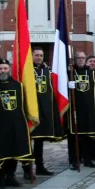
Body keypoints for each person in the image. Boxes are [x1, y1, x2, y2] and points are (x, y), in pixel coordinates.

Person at [0, 60, 32, 189]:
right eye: (0, 68)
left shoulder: (18, 85)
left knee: (14, 151)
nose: (3, 71)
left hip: (15, 124)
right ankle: (1, 178)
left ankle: (11, 176)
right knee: (2, 152)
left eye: (5, 68)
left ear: (9, 69)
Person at [68, 53, 95, 169]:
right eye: (78, 58)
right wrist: (68, 86)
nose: (81, 60)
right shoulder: (70, 72)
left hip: (88, 109)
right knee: (74, 137)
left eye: (82, 58)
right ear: (75, 60)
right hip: (74, 110)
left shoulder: (91, 72)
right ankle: (74, 160)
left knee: (87, 136)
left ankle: (87, 159)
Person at [27, 47, 63, 178]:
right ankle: (27, 170)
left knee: (39, 141)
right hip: (31, 110)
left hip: (44, 110)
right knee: (28, 142)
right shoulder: (27, 71)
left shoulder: (47, 71)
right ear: (32, 56)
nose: (39, 57)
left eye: (41, 55)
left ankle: (40, 166)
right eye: (36, 55)